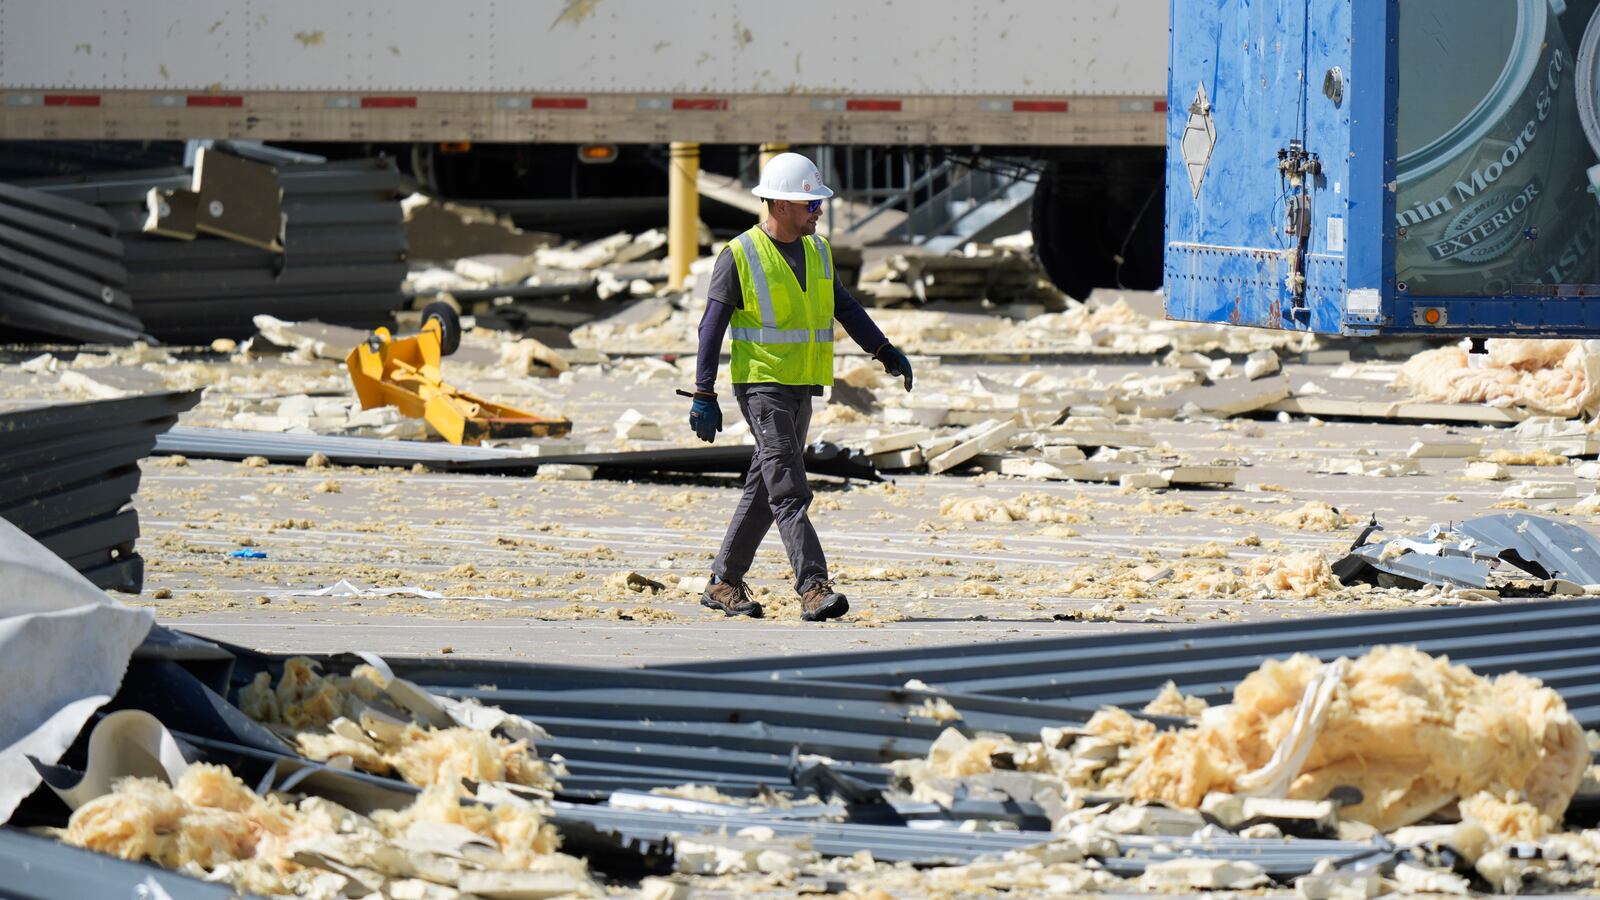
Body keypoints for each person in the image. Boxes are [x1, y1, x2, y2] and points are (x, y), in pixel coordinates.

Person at [686, 152, 913, 622]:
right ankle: (812, 586)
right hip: (761, 386)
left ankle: (724, 582)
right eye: (811, 203)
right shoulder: (739, 255)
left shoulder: (819, 250)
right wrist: (703, 393)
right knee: (789, 488)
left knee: (763, 486)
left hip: (802, 386)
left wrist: (884, 349)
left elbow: (844, 307)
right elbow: (711, 327)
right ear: (782, 204)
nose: (818, 210)